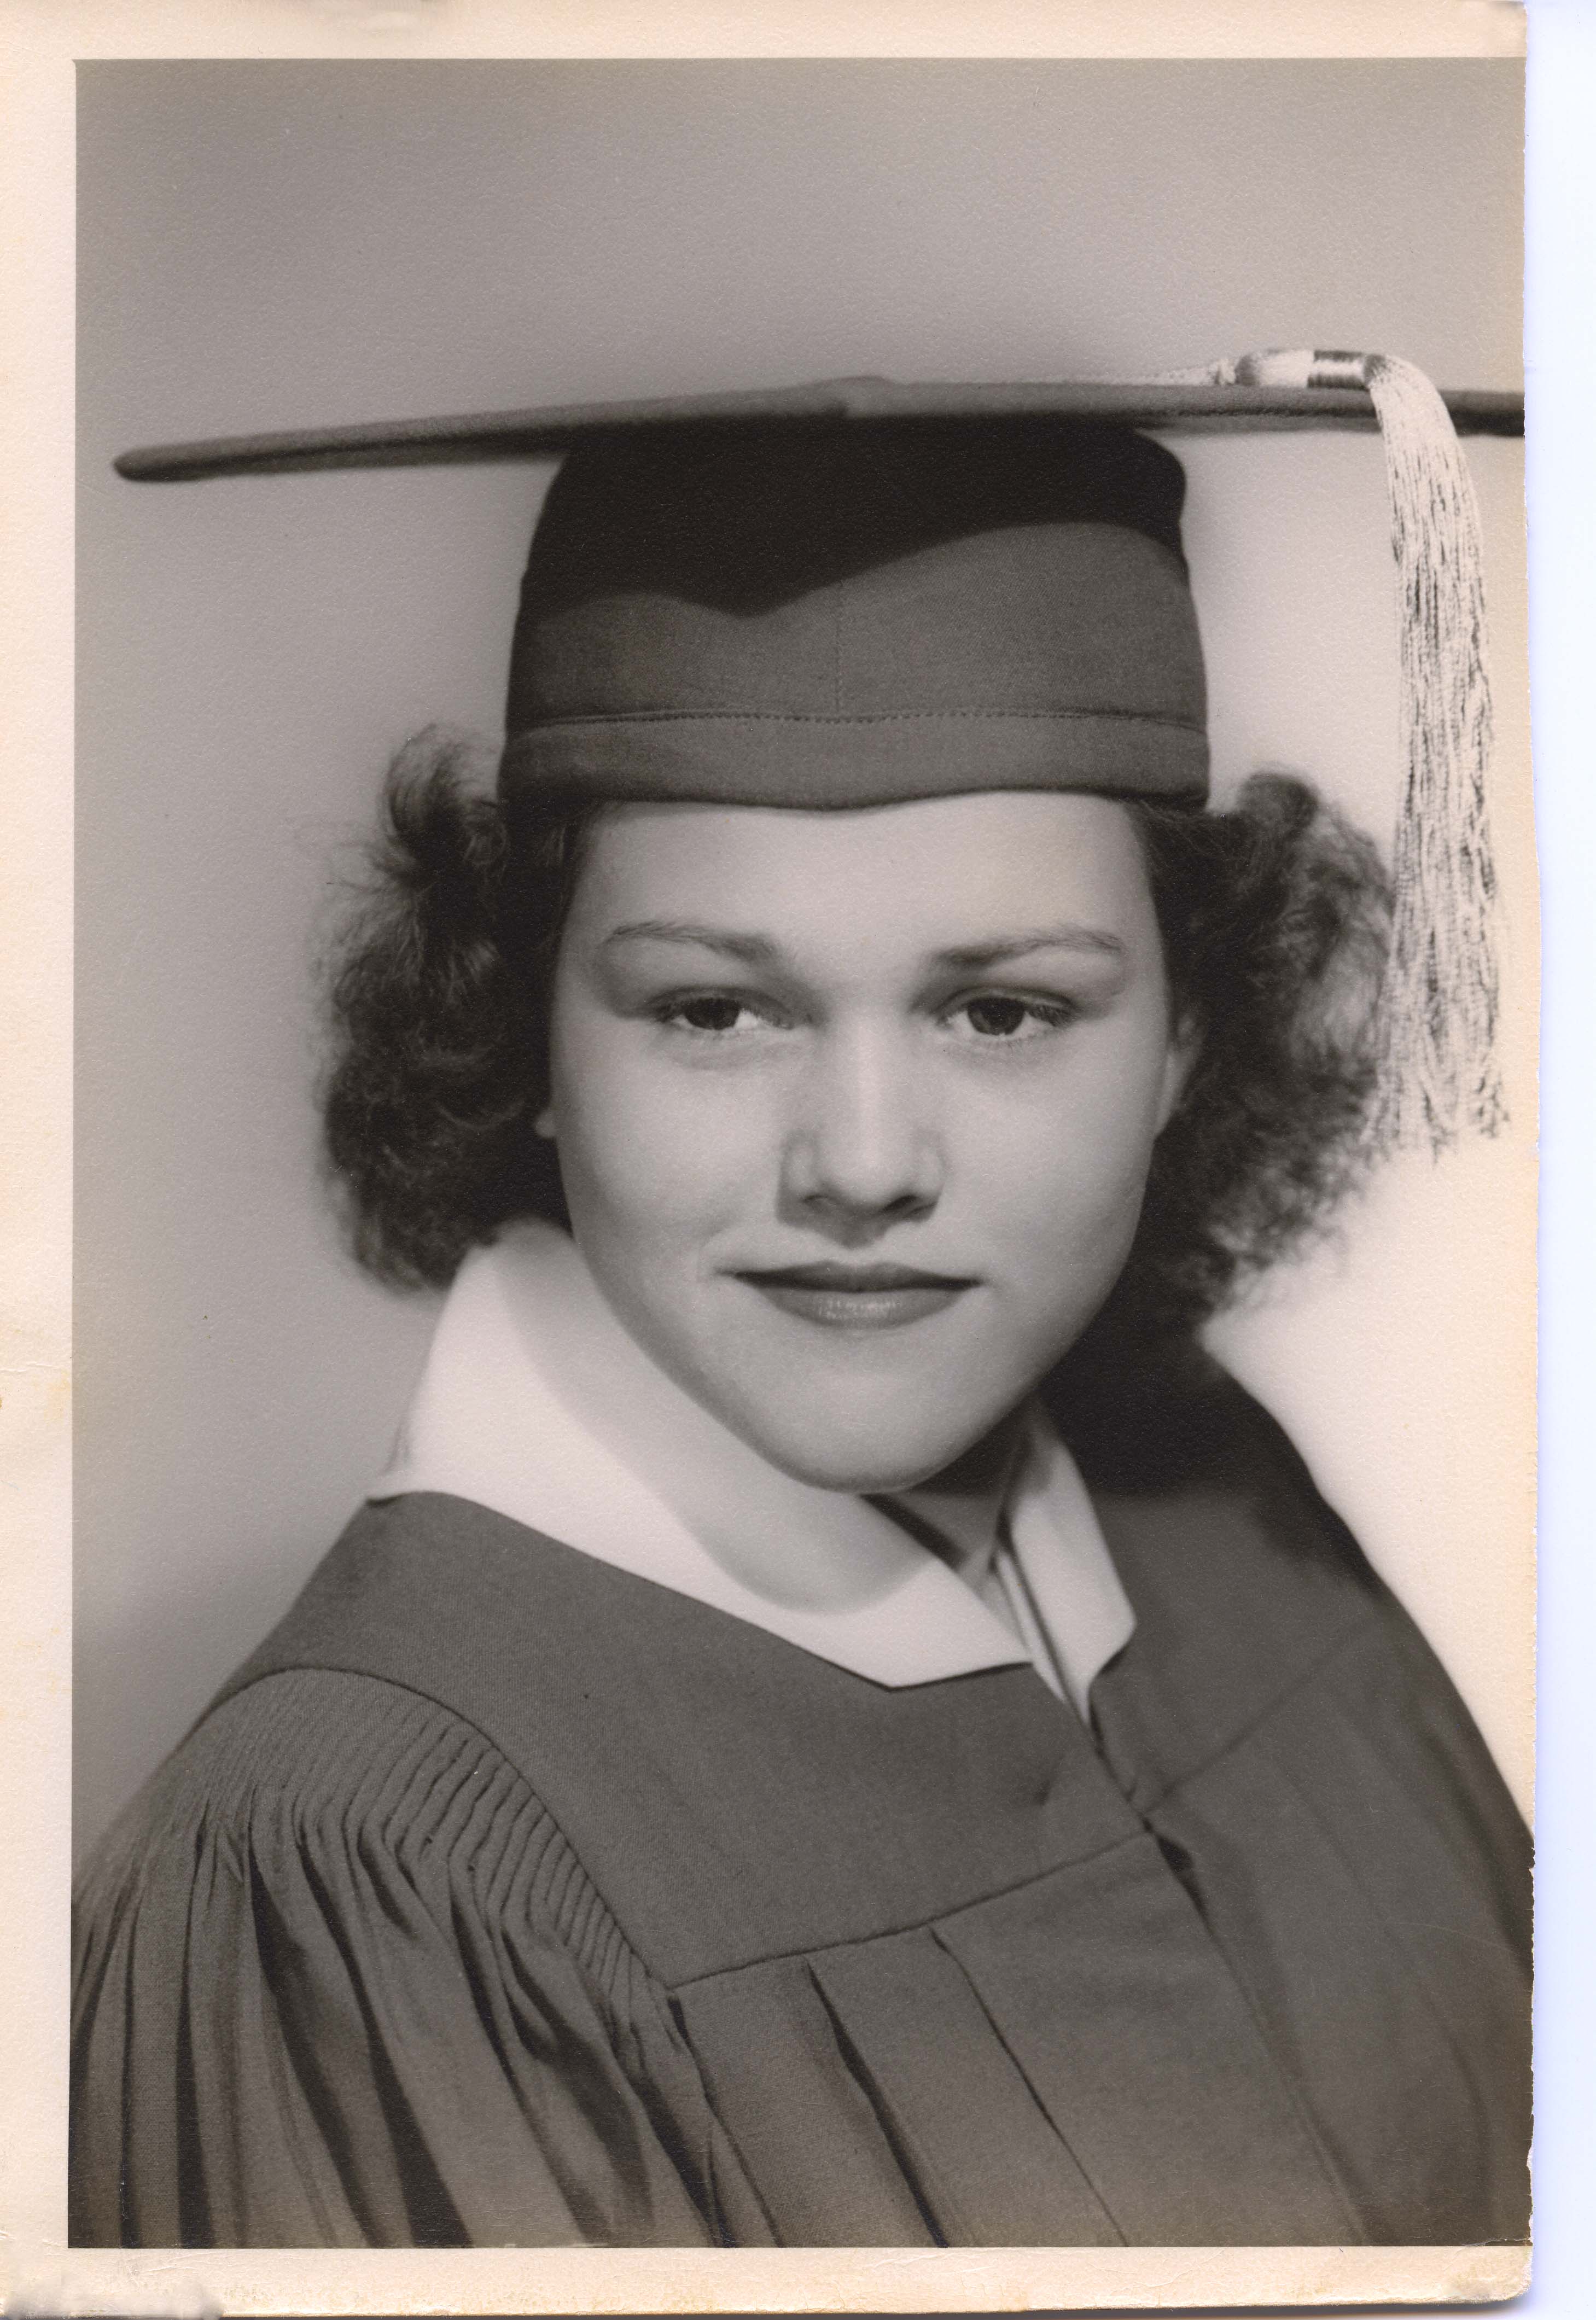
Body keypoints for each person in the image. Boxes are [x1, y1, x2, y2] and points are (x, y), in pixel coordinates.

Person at [71, 364, 1531, 2249]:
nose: (861, 1161)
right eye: (712, 1007)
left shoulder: (1218, 1503)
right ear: (525, 1032)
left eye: (1003, 1009)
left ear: (1185, 1035)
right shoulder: (351, 1870)